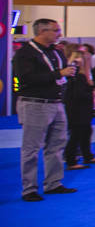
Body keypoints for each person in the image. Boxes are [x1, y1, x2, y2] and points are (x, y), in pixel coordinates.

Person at [14, 19, 78, 201]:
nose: (59, 34)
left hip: (56, 102)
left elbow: (61, 74)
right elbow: (26, 78)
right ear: (42, 31)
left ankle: (53, 183)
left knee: (56, 145)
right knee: (32, 148)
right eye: (56, 30)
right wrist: (59, 74)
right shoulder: (25, 53)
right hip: (34, 103)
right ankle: (29, 188)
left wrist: (68, 74)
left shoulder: (56, 52)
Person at [63, 51, 95, 169]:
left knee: (85, 132)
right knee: (77, 134)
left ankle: (87, 155)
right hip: (78, 109)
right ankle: (71, 160)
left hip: (80, 108)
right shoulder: (78, 76)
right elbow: (79, 94)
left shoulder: (79, 76)